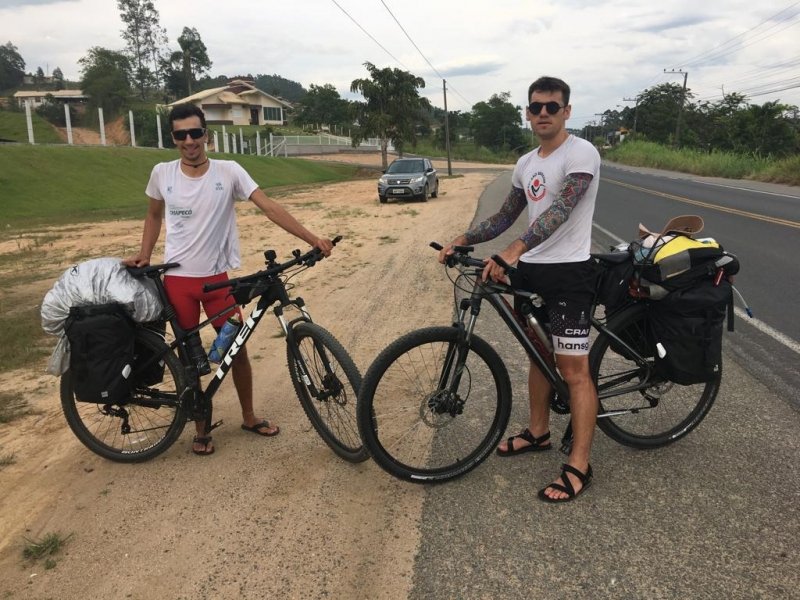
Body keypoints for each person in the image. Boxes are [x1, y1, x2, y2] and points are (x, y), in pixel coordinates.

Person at [124, 103, 333, 456]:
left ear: (206, 133)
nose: (190, 141)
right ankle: (201, 429)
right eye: (181, 134)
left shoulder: (229, 171)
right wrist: (145, 254)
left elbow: (268, 206)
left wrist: (311, 238)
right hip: (177, 283)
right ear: (173, 138)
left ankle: (249, 417)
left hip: (217, 281)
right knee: (191, 359)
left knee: (237, 348)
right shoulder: (162, 173)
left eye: (195, 132)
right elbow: (153, 215)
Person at [438, 76, 601, 502]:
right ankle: (538, 431)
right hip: (531, 274)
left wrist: (511, 251)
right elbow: (507, 214)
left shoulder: (581, 152)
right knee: (537, 355)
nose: (543, 113)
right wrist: (464, 238)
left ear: (567, 111)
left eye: (552, 106)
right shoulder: (526, 162)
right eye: (536, 107)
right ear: (527, 113)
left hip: (569, 274)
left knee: (574, 371)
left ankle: (579, 465)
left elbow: (561, 210)